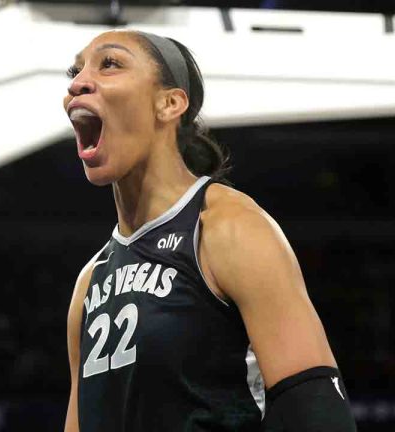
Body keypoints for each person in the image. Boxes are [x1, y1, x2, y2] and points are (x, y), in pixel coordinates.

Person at [63, 29, 356, 431]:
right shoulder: (90, 282)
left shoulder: (227, 227)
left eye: (109, 64)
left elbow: (316, 409)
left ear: (169, 103)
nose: (77, 83)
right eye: (74, 71)